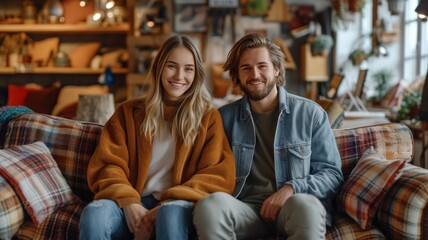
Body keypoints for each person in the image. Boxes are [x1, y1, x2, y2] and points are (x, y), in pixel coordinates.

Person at [79, 34, 236, 240]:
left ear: (196, 74)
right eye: (172, 66)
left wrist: (163, 206)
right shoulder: (128, 112)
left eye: (188, 69)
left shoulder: (208, 117)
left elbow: (217, 175)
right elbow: (108, 164)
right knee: (94, 214)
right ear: (159, 68)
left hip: (176, 205)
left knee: (169, 215)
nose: (179, 76)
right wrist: (129, 201)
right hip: (130, 202)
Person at [193, 33, 343, 240]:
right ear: (237, 75)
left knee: (306, 205)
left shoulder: (311, 114)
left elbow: (331, 174)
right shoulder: (223, 118)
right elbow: (208, 170)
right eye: (246, 68)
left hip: (293, 210)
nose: (255, 74)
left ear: (276, 69)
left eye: (262, 66)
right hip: (245, 210)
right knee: (210, 206)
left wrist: (292, 187)